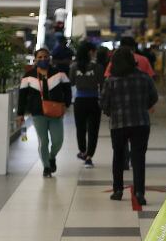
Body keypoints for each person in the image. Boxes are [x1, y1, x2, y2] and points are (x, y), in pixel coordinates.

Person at [100, 46, 158, 205]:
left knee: (118, 157)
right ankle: (140, 193)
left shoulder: (110, 81)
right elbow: (154, 97)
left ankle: (117, 190)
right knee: (138, 158)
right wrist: (142, 107)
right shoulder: (144, 78)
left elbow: (104, 103)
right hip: (141, 123)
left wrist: (111, 112)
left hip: (118, 124)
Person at [18, 48, 72, 178]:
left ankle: (52, 157)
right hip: (37, 113)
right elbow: (22, 96)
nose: (43, 59)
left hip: (56, 112)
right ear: (35, 59)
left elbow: (68, 90)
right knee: (43, 141)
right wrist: (20, 114)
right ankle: (46, 167)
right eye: (40, 57)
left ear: (50, 58)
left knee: (58, 140)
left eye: (45, 57)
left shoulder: (59, 73)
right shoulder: (28, 76)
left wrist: (66, 104)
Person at [70, 41, 105, 169]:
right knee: (93, 130)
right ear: (90, 52)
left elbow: (72, 82)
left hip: (79, 100)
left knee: (80, 128)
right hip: (94, 101)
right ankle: (89, 157)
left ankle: (83, 151)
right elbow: (102, 84)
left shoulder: (74, 66)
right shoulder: (98, 67)